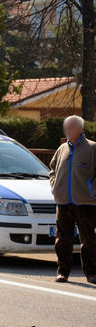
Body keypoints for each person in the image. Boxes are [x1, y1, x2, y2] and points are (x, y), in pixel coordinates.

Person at [49, 115, 96, 284]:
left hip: (86, 202)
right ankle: (63, 272)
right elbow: (52, 169)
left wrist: (93, 190)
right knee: (62, 239)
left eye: (71, 128)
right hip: (63, 201)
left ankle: (91, 273)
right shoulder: (62, 148)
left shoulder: (92, 148)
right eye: (66, 128)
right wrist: (54, 185)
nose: (68, 131)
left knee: (88, 240)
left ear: (81, 129)